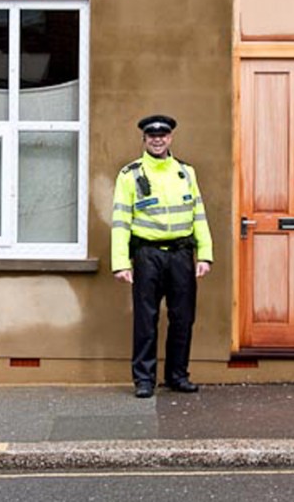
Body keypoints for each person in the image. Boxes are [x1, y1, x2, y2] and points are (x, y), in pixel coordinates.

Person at [111, 114, 213, 398]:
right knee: (146, 319)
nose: (158, 140)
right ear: (144, 139)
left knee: (183, 318)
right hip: (148, 255)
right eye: (152, 136)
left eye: (163, 135)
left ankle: (177, 376)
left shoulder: (186, 172)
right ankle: (144, 380)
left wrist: (205, 255)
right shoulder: (130, 174)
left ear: (170, 138)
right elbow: (120, 221)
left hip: (181, 254)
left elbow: (199, 215)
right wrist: (120, 263)